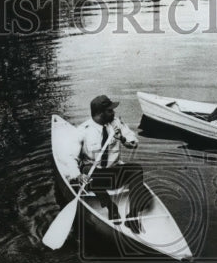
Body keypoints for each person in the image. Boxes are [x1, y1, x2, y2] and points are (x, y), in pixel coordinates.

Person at [58, 94, 150, 233]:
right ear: (100, 113)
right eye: (110, 110)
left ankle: (133, 216)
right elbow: (71, 159)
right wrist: (78, 176)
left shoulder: (116, 124)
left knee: (136, 169)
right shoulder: (83, 131)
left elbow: (134, 142)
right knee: (87, 170)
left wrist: (123, 138)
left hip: (113, 173)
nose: (114, 113)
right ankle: (110, 206)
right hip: (95, 178)